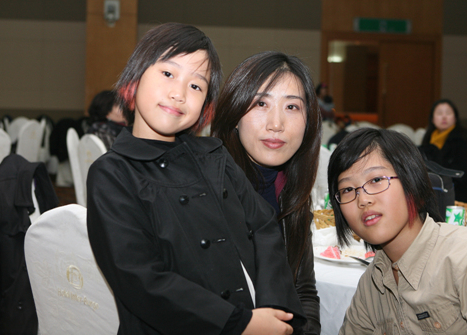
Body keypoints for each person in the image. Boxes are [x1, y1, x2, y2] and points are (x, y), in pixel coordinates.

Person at [86, 23, 306, 335]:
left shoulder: (213, 155)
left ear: (205, 105)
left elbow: (263, 225)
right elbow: (140, 279)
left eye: (196, 86)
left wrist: (274, 308)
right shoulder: (112, 173)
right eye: (168, 73)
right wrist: (239, 324)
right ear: (135, 79)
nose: (178, 94)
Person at [328, 128, 467, 335]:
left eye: (376, 180)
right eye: (347, 190)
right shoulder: (372, 282)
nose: (363, 199)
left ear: (412, 183)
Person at [212, 52, 321, 335]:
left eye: (292, 107)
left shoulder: (290, 192)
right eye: (261, 103)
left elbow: (303, 292)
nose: (276, 124)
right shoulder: (205, 189)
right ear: (234, 115)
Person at [420, 99, 467, 203]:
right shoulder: (429, 137)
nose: (444, 117)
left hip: (458, 193)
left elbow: (462, 172)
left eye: (448, 113)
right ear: (432, 119)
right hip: (433, 192)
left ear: (455, 118)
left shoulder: (463, 137)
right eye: (439, 113)